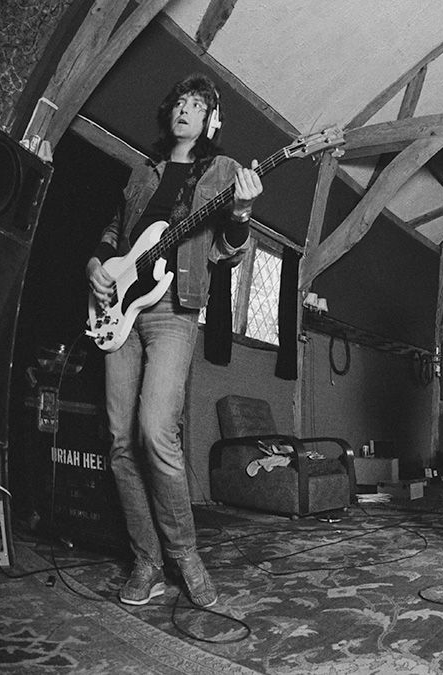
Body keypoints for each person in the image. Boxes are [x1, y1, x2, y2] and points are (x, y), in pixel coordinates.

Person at [86, 74, 262, 607]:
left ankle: (186, 556)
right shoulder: (145, 171)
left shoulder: (226, 171)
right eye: (178, 103)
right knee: (120, 441)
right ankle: (146, 562)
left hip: (172, 308)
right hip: (120, 310)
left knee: (155, 429)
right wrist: (97, 266)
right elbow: (116, 233)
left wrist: (244, 213)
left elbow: (226, 251)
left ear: (211, 119)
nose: (184, 111)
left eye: (196, 105)